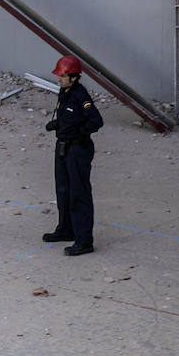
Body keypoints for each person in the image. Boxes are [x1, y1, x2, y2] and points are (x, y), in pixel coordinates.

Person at [42, 55, 104, 256]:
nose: (59, 79)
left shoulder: (81, 96)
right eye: (59, 75)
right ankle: (66, 229)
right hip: (63, 147)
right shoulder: (65, 92)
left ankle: (84, 240)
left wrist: (78, 132)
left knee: (79, 194)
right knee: (63, 191)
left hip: (78, 150)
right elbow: (69, 117)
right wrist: (58, 125)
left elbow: (96, 121)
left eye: (62, 75)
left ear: (74, 77)